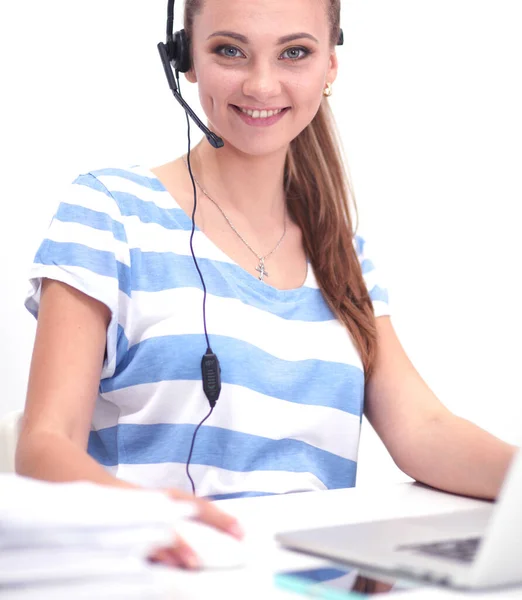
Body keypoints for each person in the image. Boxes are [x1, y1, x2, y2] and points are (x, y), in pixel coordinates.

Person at [16, 0, 516, 570]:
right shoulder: (109, 211)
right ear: (185, 59)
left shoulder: (343, 256)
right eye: (229, 50)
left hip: (311, 585)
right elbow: (46, 445)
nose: (261, 83)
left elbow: (425, 430)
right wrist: (159, 520)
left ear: (330, 66)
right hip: (161, 576)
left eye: (295, 53)